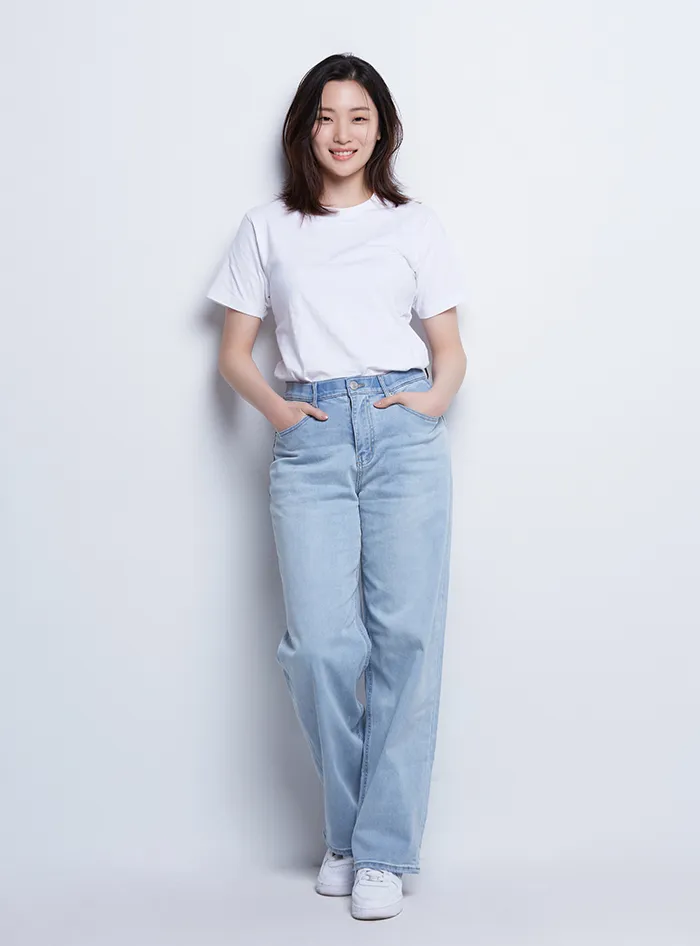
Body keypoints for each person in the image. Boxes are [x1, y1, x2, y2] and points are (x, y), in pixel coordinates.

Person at [206, 52, 467, 921]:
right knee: (320, 648)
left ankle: (378, 852)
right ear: (305, 129)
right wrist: (283, 415)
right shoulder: (267, 227)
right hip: (311, 437)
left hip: (402, 434)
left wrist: (431, 402)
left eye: (360, 117)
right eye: (326, 117)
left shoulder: (414, 224)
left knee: (406, 642)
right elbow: (234, 354)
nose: (343, 134)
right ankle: (351, 834)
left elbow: (450, 348)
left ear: (382, 129)